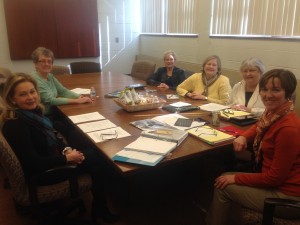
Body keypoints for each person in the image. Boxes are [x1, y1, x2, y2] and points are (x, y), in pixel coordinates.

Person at [0, 73, 120, 223]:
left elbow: (51, 137)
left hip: (49, 158)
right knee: (99, 160)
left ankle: (101, 205)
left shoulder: (29, 114)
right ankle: (101, 209)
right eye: (23, 94)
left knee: (90, 152)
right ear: (12, 99)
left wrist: (66, 150)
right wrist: (67, 158)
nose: (30, 97)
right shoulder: (16, 125)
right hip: (42, 174)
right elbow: (33, 163)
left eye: (32, 92)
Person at [207, 69, 300, 225]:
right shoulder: (274, 114)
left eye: (275, 90)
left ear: (288, 93)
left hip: (287, 197)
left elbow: (273, 178)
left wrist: (235, 178)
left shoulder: (288, 129)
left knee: (223, 186)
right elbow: (259, 125)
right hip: (276, 182)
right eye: (264, 89)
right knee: (226, 174)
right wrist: (244, 136)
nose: (267, 95)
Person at [31, 47, 92, 116]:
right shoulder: (34, 79)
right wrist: (76, 101)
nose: (47, 64)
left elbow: (63, 91)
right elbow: (51, 100)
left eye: (49, 61)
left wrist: (79, 97)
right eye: (43, 61)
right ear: (35, 63)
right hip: (45, 116)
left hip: (55, 112)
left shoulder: (50, 76)